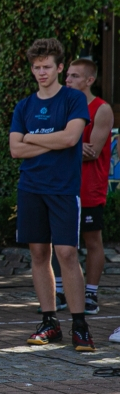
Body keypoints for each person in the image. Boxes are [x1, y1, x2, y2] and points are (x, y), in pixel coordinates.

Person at [11, 39, 93, 351]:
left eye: (47, 67)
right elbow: (15, 150)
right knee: (38, 254)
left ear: (60, 67)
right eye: (36, 67)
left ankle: (80, 325)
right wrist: (50, 140)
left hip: (63, 189)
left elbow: (72, 138)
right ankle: (49, 322)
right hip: (30, 187)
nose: (41, 72)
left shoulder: (73, 99)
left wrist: (32, 137)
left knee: (67, 254)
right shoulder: (24, 105)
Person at [64, 59, 113, 320]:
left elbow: (91, 151)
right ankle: (65, 290)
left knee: (92, 240)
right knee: (59, 240)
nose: (67, 80)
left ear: (89, 80)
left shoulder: (101, 109)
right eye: (68, 75)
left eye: (73, 76)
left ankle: (91, 293)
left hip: (90, 187)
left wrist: (62, 144)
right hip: (63, 185)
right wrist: (70, 145)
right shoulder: (64, 105)